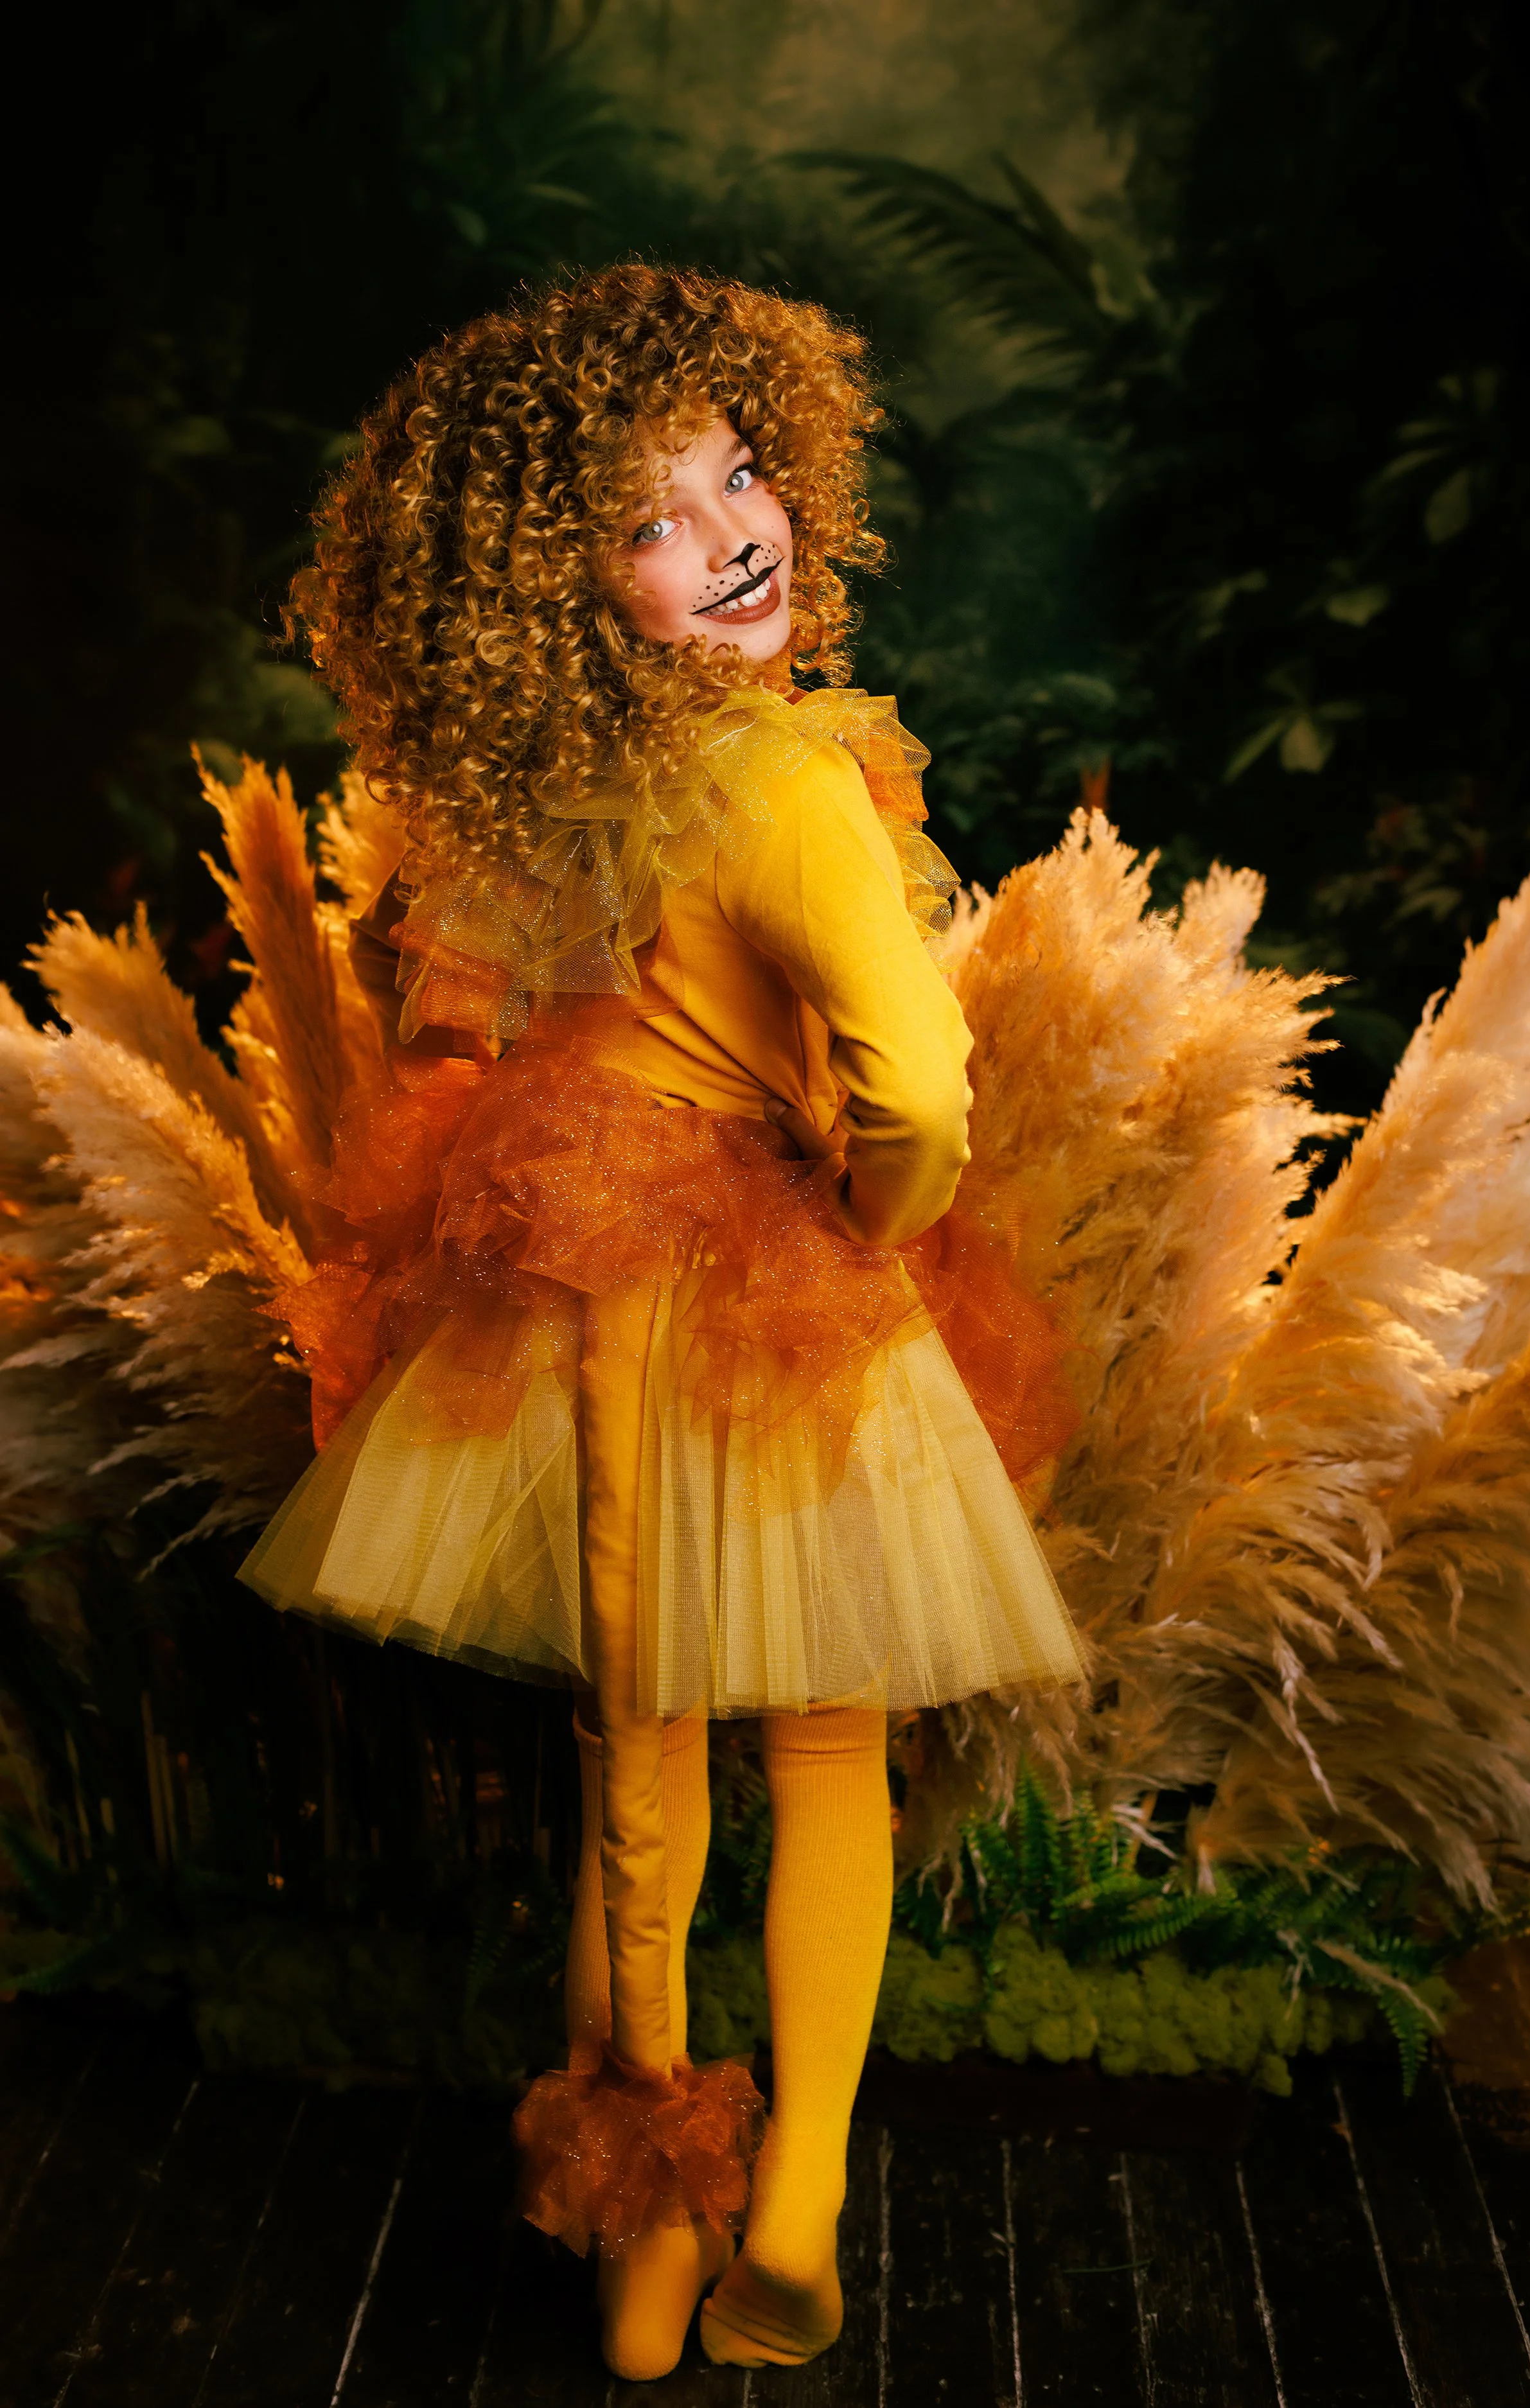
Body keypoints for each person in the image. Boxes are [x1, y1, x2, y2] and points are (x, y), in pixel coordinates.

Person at [241, 263, 1087, 2382]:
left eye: (739, 474)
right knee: (825, 1749)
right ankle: (789, 2202)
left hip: (580, 1306)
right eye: (651, 518)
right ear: (553, 581)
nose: (731, 535)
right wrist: (871, 1212)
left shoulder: (515, 800)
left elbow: (460, 1041)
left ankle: (647, 2220)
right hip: (791, 1297)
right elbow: (914, 1090)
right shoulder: (793, 780)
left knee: (636, 1756)